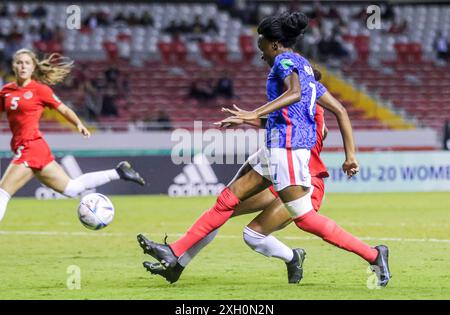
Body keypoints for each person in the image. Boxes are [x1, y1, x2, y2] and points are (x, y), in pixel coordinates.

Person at [136, 12, 391, 286]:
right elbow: (336, 109)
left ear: (274, 44)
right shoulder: (306, 69)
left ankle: (373, 254)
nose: (262, 56)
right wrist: (350, 156)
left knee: (304, 219)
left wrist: (251, 114)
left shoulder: (283, 61)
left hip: (289, 150)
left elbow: (293, 94)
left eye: (262, 48)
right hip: (277, 148)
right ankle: (174, 253)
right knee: (228, 200)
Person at [0, 48, 146, 223]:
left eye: (27, 63)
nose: (23, 66)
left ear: (33, 67)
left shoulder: (40, 90)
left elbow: (63, 109)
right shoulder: (6, 91)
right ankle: (119, 172)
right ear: (13, 66)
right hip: (32, 148)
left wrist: (78, 124)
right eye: (19, 62)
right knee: (71, 188)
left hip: (30, 146)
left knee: (3, 192)